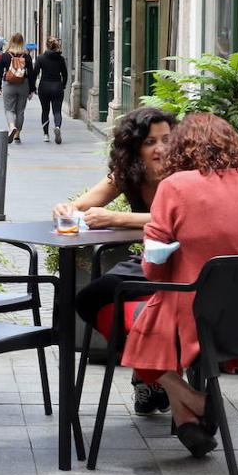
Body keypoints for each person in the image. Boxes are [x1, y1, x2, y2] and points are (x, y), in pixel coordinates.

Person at [122, 113, 238, 457]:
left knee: (131, 319)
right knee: (148, 317)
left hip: (199, 321)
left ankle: (196, 400)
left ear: (182, 149)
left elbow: (153, 266)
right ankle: (187, 420)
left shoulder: (176, 187)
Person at [60, 107, 177, 415]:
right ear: (135, 146)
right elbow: (83, 205)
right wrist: (66, 209)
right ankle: (152, 376)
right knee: (88, 299)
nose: (161, 148)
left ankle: (150, 378)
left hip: (181, 263)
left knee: (130, 308)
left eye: (166, 139)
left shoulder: (183, 172)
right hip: (149, 261)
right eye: (151, 142)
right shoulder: (127, 172)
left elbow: (177, 219)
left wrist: (118, 218)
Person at [0, 33, 35, 142]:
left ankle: (11, 127)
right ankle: (17, 133)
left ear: (11, 41)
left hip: (9, 84)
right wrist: (32, 89)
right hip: (23, 84)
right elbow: (32, 74)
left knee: (9, 109)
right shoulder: (26, 56)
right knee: (20, 111)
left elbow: (0, 71)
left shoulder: (5, 55)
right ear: (22, 42)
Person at [35, 37, 69, 144]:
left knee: (45, 110)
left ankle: (46, 135)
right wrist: (62, 85)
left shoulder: (41, 58)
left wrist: (32, 87)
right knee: (57, 110)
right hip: (57, 86)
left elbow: (35, 73)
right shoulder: (60, 59)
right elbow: (65, 74)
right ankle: (57, 126)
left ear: (46, 45)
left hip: (44, 86)